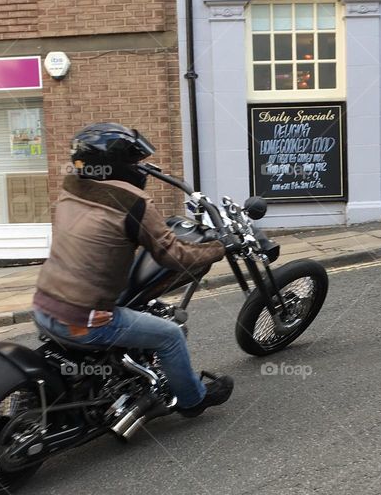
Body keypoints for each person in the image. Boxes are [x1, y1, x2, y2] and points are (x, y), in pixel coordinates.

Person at [33, 122, 234, 416]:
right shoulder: (133, 203)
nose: (141, 167)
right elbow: (172, 255)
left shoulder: (71, 189)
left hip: (43, 305)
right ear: (118, 165)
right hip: (80, 320)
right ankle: (193, 400)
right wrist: (219, 248)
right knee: (169, 336)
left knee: (131, 297)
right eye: (136, 162)